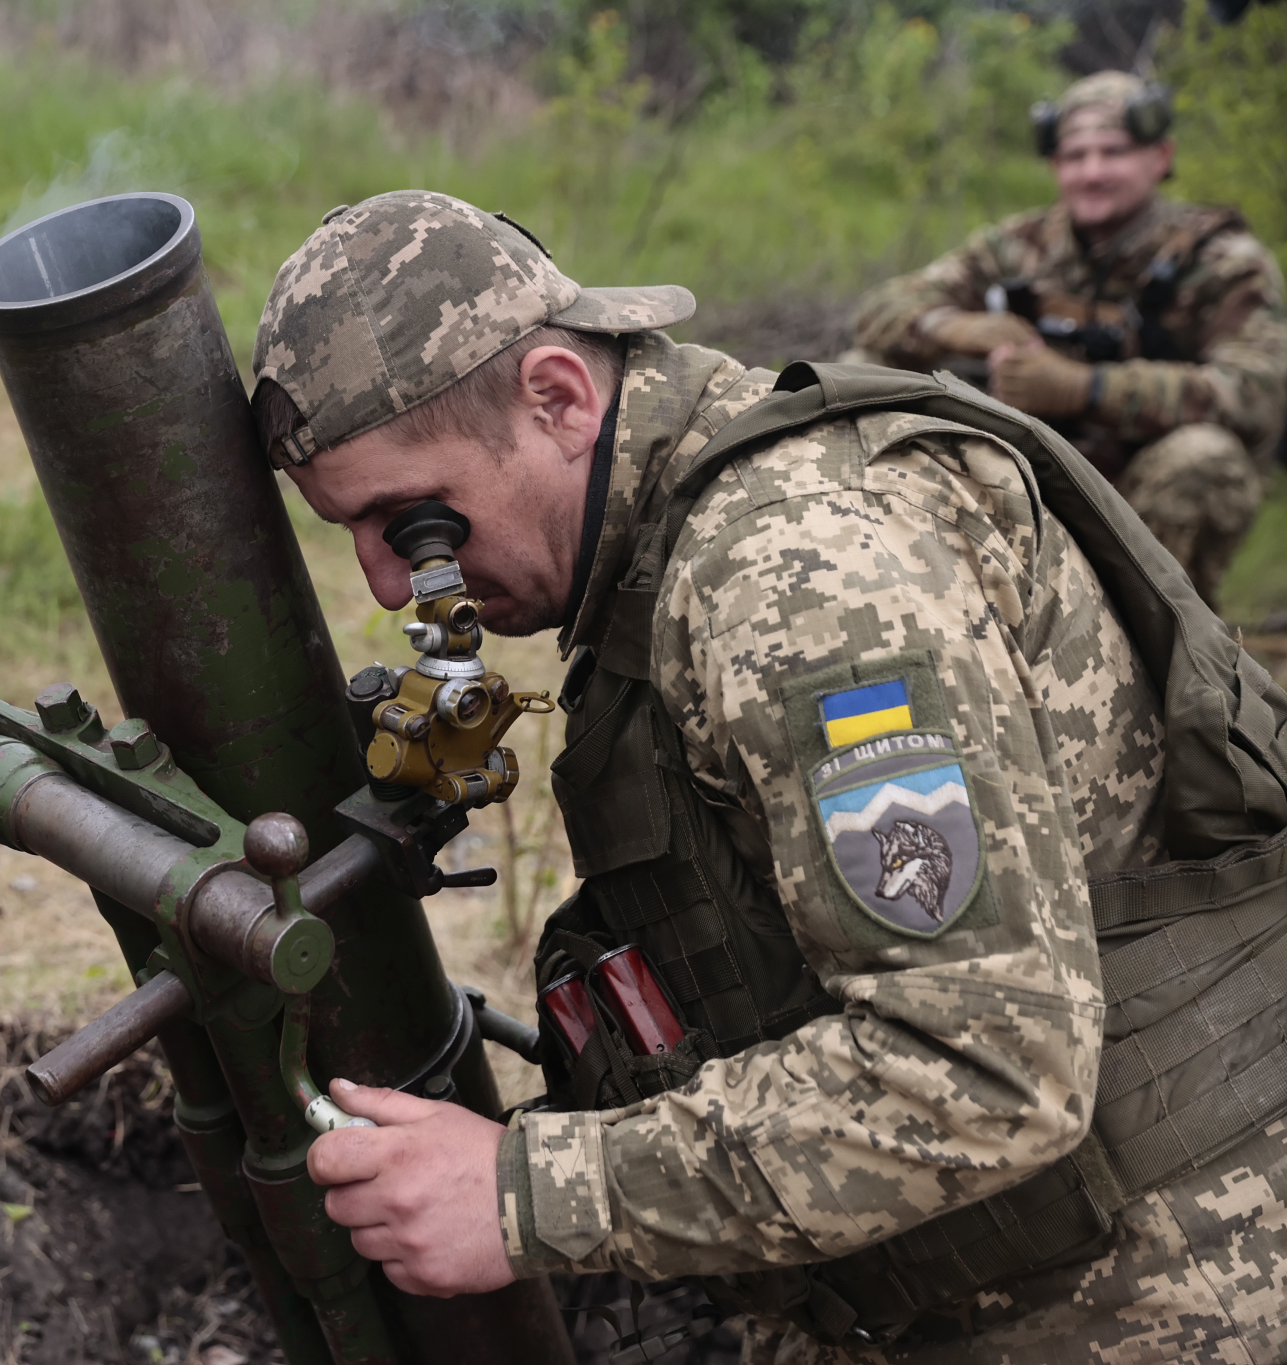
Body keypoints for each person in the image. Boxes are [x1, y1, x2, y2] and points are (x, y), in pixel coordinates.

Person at [248, 188, 1287, 1363]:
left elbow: (982, 1067)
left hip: (1168, 1292)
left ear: (557, 397)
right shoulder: (679, 538)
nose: (388, 586)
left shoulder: (797, 577)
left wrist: (523, 1193)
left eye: (411, 524)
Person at [850, 70, 1287, 609]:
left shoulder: (1222, 262)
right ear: (1056, 164)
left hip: (1138, 495)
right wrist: (958, 328)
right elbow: (880, 310)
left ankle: (1160, 635)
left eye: (1114, 152)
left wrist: (1087, 388)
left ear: (1161, 157)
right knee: (863, 368)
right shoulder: (1018, 247)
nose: (1093, 172)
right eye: (1076, 156)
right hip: (1022, 474)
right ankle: (896, 598)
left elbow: (1256, 391)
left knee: (1205, 457)